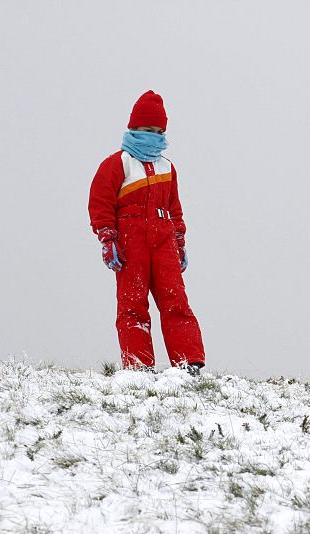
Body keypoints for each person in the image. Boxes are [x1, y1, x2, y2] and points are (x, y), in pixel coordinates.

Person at [88, 90, 205, 376]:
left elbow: (175, 207)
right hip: (131, 240)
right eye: (144, 130)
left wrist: (179, 240)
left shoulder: (167, 167)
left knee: (175, 300)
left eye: (156, 131)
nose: (150, 136)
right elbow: (100, 202)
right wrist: (108, 238)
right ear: (132, 128)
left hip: (163, 239)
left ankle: (188, 361)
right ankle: (139, 365)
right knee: (132, 303)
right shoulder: (118, 163)